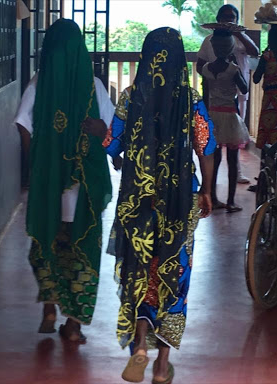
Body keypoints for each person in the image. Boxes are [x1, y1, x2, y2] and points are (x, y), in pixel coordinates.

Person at [107, 27, 215, 384]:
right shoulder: (191, 99)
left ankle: (139, 346)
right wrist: (207, 190)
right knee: (175, 273)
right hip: (180, 202)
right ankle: (161, 364)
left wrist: (122, 158)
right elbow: (207, 148)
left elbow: (113, 145)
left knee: (140, 272)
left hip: (138, 200)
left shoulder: (130, 96)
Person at [14, 19, 114, 342]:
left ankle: (49, 309)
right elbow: (111, 131)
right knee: (82, 253)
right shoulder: (95, 86)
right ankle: (73, 324)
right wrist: (100, 133)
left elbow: (22, 124)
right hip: (83, 193)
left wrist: (38, 164)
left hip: (49, 189)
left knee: (46, 245)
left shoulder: (39, 82)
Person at [197, 4, 259, 184]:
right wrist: (215, 75)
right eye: (224, 17)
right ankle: (211, 177)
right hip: (216, 93)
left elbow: (255, 53)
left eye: (232, 17)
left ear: (237, 20)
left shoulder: (241, 38)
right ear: (218, 19)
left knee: (235, 135)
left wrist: (238, 33)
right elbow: (200, 65)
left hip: (237, 93)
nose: (228, 19)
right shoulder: (210, 40)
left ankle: (236, 170)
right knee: (214, 135)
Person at [201, 29, 250, 213]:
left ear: (213, 46)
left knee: (214, 158)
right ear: (230, 49)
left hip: (213, 114)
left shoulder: (206, 69)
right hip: (229, 115)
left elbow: (206, 95)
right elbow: (244, 89)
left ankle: (212, 197)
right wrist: (235, 64)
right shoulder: (233, 69)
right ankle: (231, 201)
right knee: (232, 159)